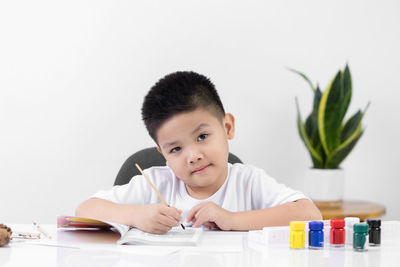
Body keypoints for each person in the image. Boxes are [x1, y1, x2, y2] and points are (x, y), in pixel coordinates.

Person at [76, 71, 322, 234]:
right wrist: (135, 215)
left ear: (227, 127)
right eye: (176, 149)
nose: (193, 156)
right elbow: (84, 210)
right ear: (164, 155)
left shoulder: (248, 182)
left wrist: (233, 220)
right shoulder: (155, 183)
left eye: (202, 137)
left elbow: (309, 214)